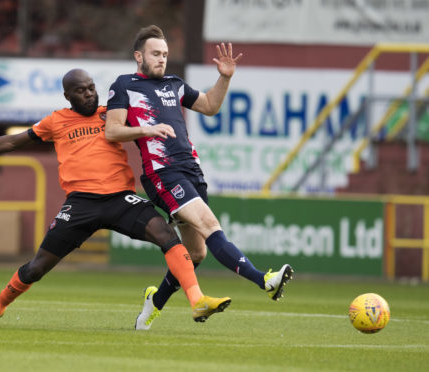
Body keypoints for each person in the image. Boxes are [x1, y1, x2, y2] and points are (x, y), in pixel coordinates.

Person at [0, 68, 231, 327]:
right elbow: (10, 142)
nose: (89, 94)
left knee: (167, 235)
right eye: (81, 91)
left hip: (120, 199)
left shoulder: (112, 115)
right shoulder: (55, 122)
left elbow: (156, 112)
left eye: (91, 88)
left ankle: (197, 300)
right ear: (68, 96)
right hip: (80, 204)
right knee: (37, 266)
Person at [105, 25, 293, 330]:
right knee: (210, 225)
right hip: (163, 173)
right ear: (138, 56)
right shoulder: (124, 85)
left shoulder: (174, 84)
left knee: (196, 253)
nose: (161, 59)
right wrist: (146, 129)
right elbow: (112, 130)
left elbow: (209, 106)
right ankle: (264, 280)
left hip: (191, 170)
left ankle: (155, 302)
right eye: (155, 54)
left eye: (165, 54)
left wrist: (225, 78)